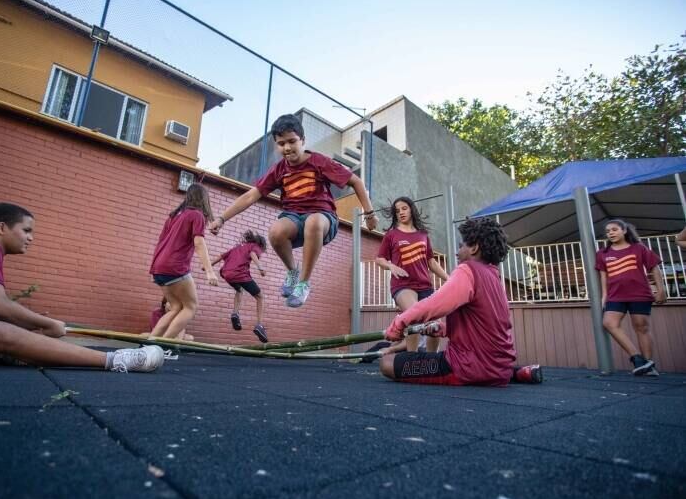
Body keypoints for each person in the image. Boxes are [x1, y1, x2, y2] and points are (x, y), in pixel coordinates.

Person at [0, 203, 164, 372]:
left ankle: (18, 354)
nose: (31, 238)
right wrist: (47, 324)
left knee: (7, 330)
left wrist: (30, 324)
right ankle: (116, 359)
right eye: (26, 230)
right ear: (1, 228)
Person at [208, 114, 378, 308]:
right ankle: (292, 272)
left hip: (323, 219)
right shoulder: (278, 170)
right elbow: (250, 196)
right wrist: (222, 219)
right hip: (294, 218)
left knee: (313, 221)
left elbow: (355, 181)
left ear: (303, 140)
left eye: (292, 141)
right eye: (281, 144)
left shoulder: (319, 162)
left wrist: (369, 214)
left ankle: (304, 284)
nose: (287, 148)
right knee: (276, 231)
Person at [380, 217, 542, 386]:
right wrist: (444, 329)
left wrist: (399, 322)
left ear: (474, 248)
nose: (457, 252)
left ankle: (500, 374)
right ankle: (516, 373)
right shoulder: (495, 277)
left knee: (387, 362)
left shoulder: (467, 270)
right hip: (501, 369)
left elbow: (434, 304)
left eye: (461, 246)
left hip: (467, 368)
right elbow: (487, 325)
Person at [376, 197, 449, 353]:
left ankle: (431, 361)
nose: (400, 212)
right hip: (403, 285)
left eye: (404, 208)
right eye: (397, 211)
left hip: (425, 285)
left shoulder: (423, 235)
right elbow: (379, 259)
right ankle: (412, 359)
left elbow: (432, 263)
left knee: (434, 324)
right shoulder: (391, 235)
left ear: (411, 209)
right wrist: (391, 266)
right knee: (413, 316)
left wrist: (450, 280)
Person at [596, 219, 666, 376]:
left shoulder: (639, 248)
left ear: (624, 230)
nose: (611, 233)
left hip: (639, 294)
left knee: (641, 327)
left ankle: (648, 366)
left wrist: (661, 290)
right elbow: (603, 276)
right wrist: (604, 296)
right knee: (609, 323)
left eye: (614, 229)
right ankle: (637, 358)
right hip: (615, 296)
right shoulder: (602, 253)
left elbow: (654, 267)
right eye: (608, 231)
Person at [150, 183, 218, 340]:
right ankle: (162, 346)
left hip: (159, 266)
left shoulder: (174, 215)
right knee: (190, 307)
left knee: (175, 307)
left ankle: (149, 344)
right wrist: (210, 272)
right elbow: (199, 243)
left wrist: (155, 268)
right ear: (204, 199)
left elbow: (161, 241)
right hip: (175, 266)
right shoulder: (197, 215)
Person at [209, 230, 269, 343]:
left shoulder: (237, 247)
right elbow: (252, 254)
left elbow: (221, 256)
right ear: (261, 244)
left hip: (226, 273)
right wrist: (260, 267)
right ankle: (259, 325)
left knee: (239, 289)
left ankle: (235, 313)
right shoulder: (255, 246)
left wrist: (208, 266)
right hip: (240, 274)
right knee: (260, 297)